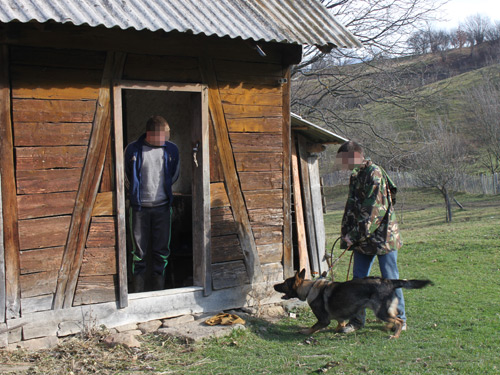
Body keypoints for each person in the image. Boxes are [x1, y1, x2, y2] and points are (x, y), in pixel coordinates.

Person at [336, 141, 405, 333]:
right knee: (359, 280)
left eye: (344, 159)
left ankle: (399, 319)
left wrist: (355, 234)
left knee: (389, 279)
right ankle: (357, 322)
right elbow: (352, 207)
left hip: (383, 237)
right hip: (362, 238)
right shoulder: (356, 175)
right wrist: (347, 234)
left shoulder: (374, 173)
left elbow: (373, 210)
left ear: (356, 155)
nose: (343, 163)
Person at [124, 115, 180, 293]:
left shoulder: (172, 150)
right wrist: (134, 193)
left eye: (167, 135)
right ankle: (138, 293)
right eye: (164, 134)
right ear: (150, 133)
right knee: (138, 254)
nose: (167, 138)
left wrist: (163, 191)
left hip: (162, 208)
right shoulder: (133, 150)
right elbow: (126, 175)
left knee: (161, 252)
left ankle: (159, 292)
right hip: (139, 209)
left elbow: (175, 174)